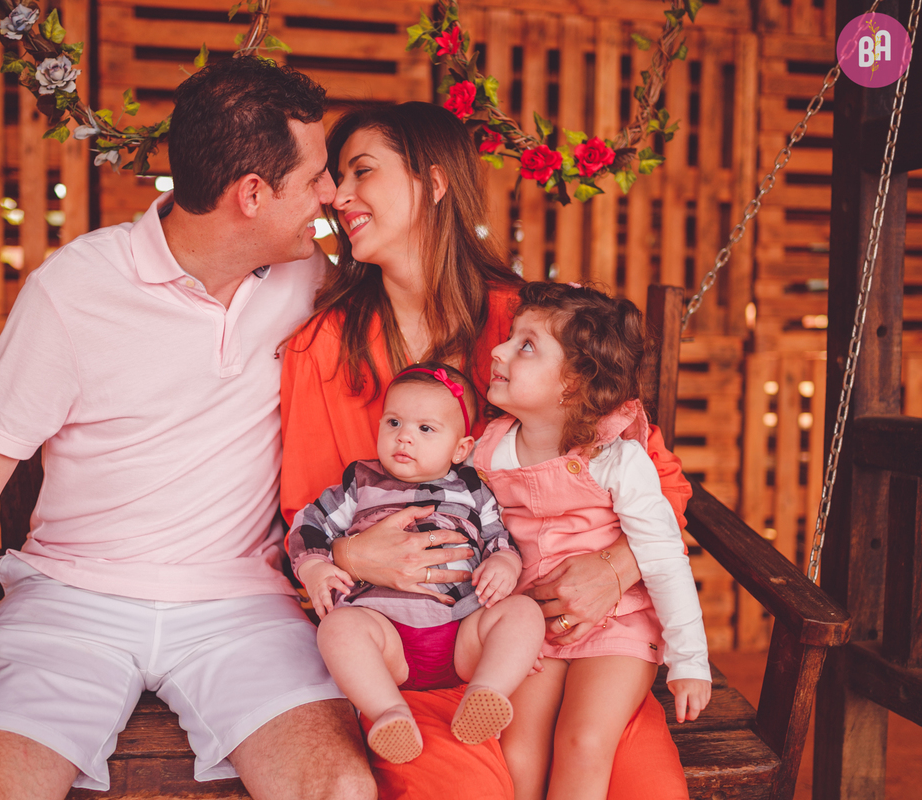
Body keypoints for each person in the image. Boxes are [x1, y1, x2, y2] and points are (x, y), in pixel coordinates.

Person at [0, 56, 378, 800]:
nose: (331, 193)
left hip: (243, 607)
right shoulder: (73, 290)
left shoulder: (311, 280)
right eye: (318, 174)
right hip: (70, 601)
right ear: (252, 194)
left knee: (341, 789)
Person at [279, 101, 694, 799]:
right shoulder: (320, 348)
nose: (337, 196)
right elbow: (303, 513)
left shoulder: (529, 326)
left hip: (562, 649)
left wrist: (612, 569)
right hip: (410, 655)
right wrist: (347, 557)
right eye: (333, 177)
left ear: (433, 183)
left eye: (361, 172)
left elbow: (661, 484)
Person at [478, 281, 712, 800]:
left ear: (574, 381)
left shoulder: (618, 458)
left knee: (583, 741)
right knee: (517, 748)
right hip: (534, 624)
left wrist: (690, 660)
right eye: (510, 338)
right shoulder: (486, 451)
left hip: (619, 621)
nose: (498, 350)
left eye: (526, 345)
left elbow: (663, 554)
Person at [288, 363, 545, 763]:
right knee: (338, 628)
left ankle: (486, 691)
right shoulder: (360, 484)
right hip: (384, 637)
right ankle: (390, 713)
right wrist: (315, 567)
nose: (404, 436)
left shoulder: (473, 489)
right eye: (393, 422)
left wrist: (506, 564)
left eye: (426, 429)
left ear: (461, 449)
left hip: (463, 632)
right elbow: (308, 525)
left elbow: (500, 538)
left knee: (524, 613)